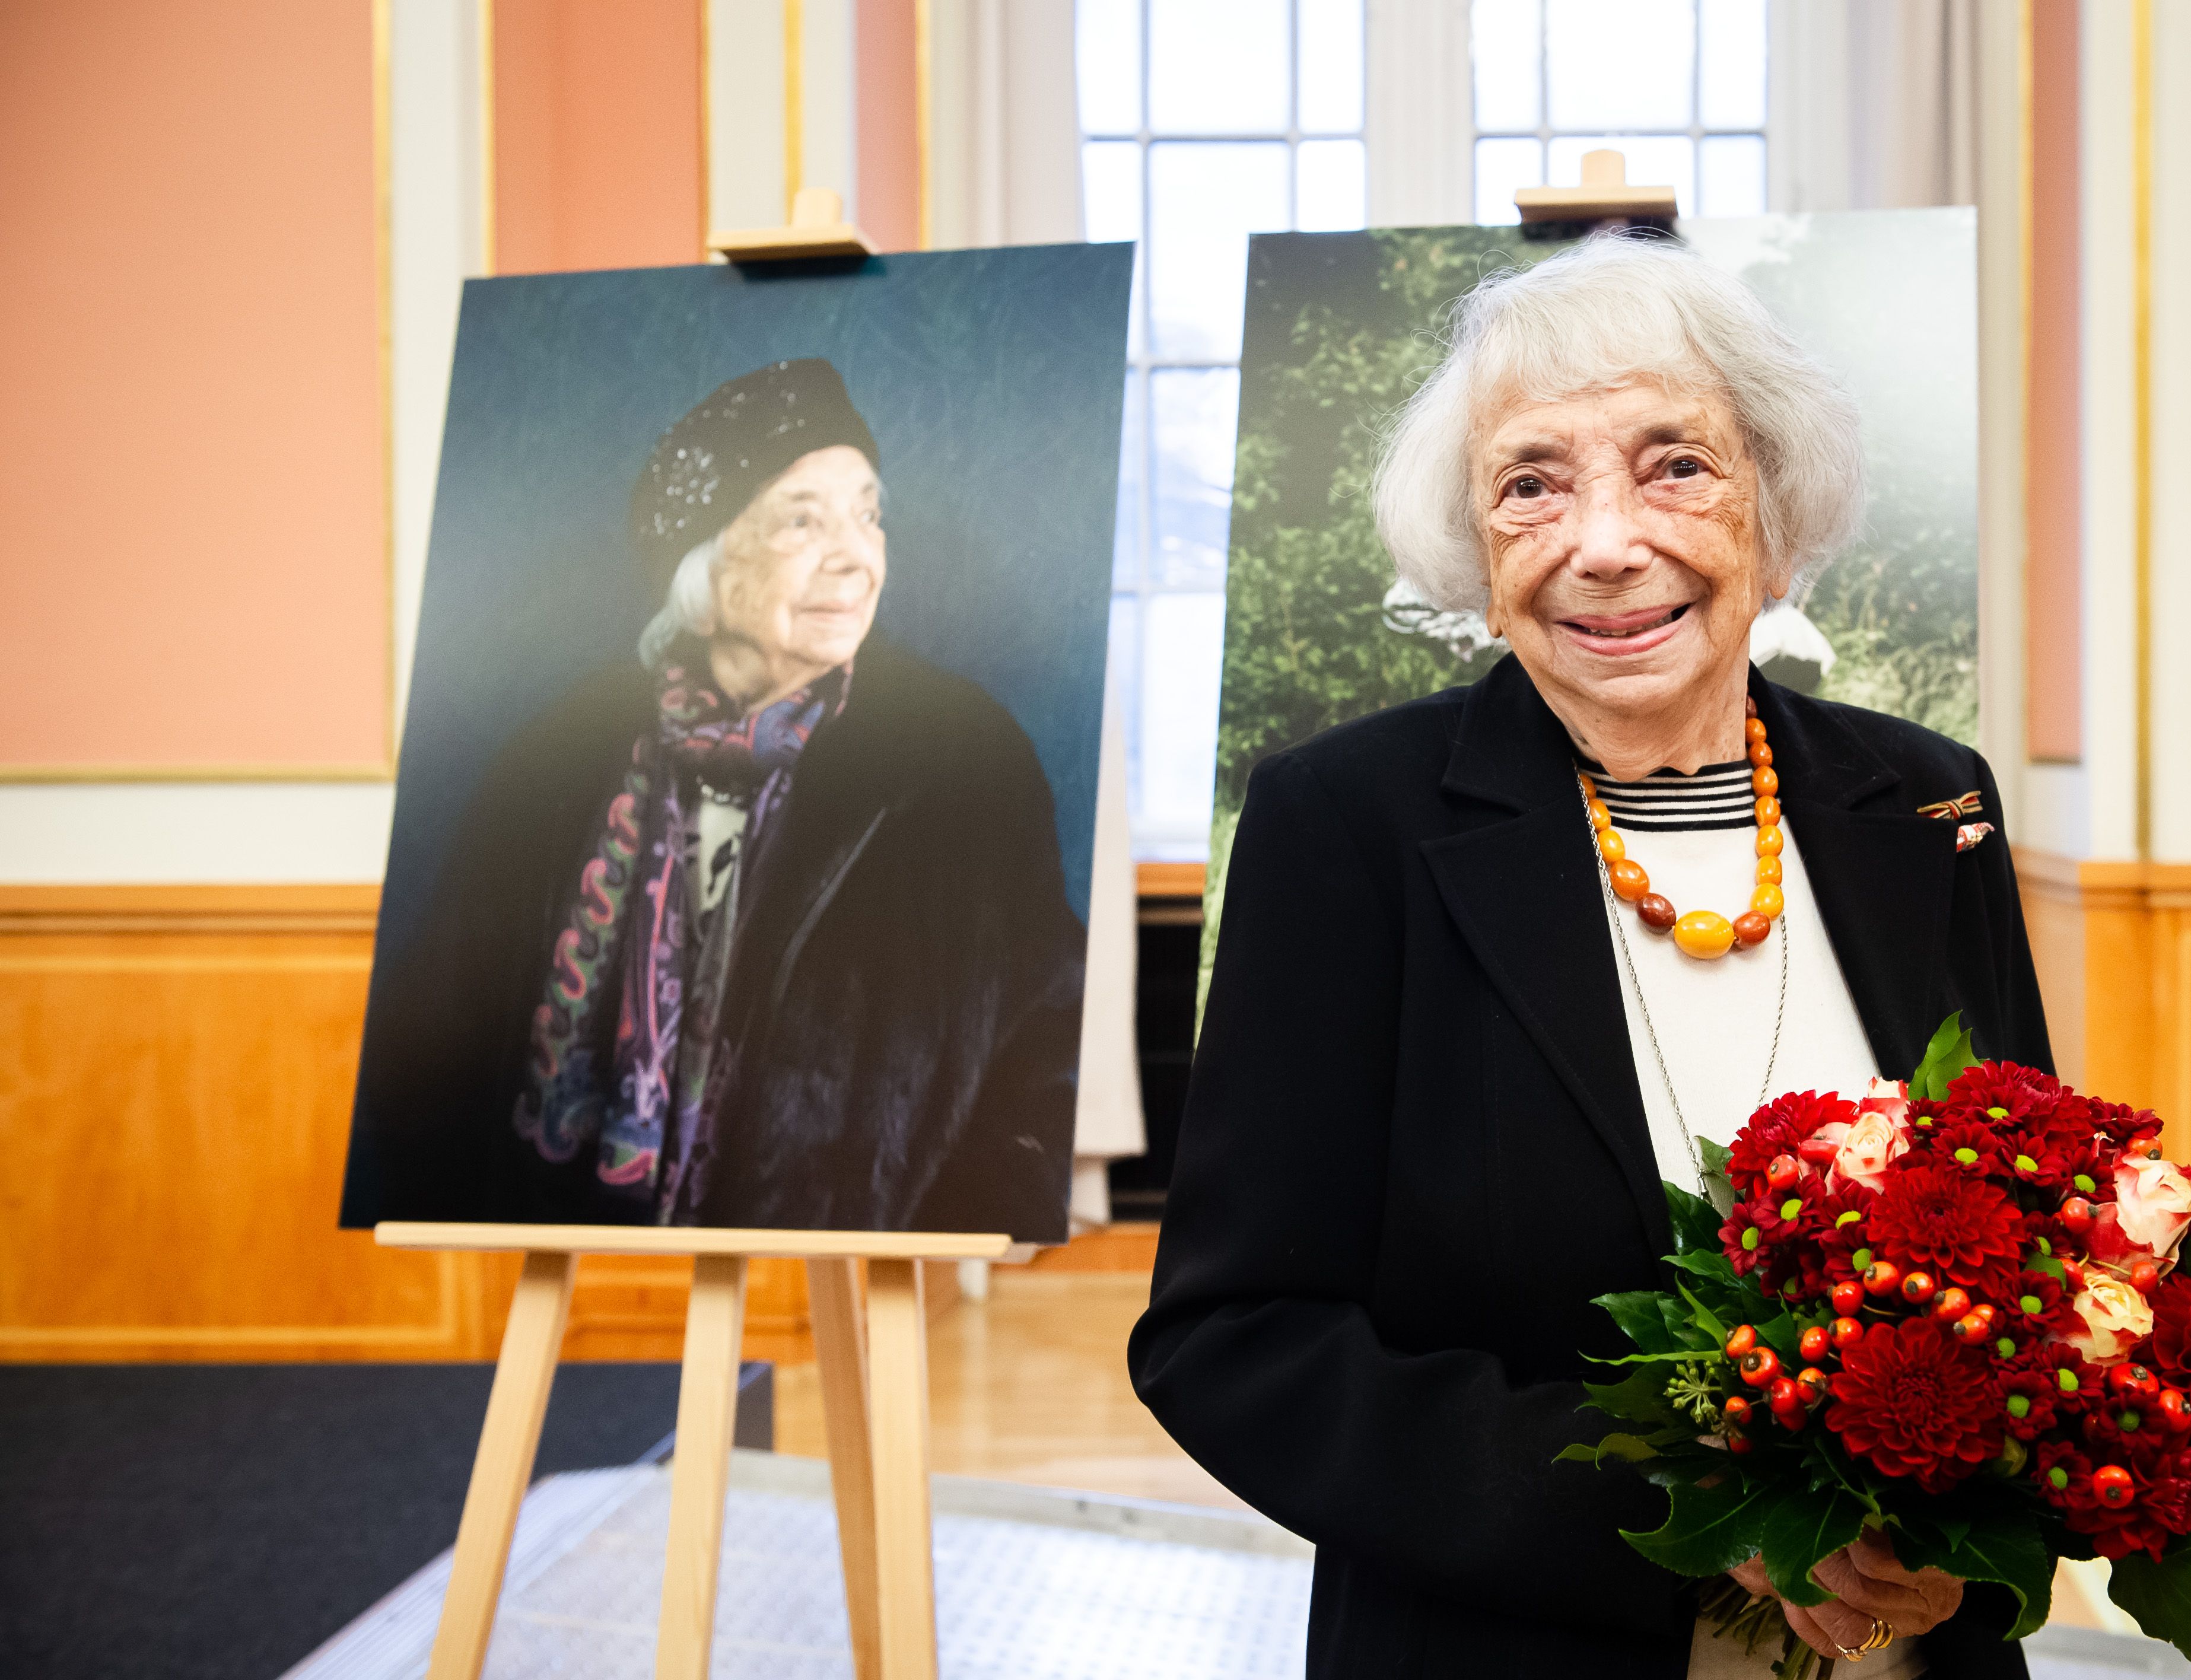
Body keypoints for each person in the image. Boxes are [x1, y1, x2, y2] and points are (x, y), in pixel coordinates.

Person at [1129, 236, 2050, 1678]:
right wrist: (1685, 1508)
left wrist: (1969, 1524)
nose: (1604, 542)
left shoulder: (1925, 800)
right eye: (1532, 483)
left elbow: (2026, 1239)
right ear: (1477, 552)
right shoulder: (1344, 824)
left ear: (1778, 506)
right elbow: (1235, 1339)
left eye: (1674, 463)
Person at [348, 358, 1081, 1240]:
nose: (854, 556)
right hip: (568, 1221)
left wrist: (968, 1211)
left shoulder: (965, 760)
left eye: (868, 513)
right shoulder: (559, 754)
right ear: (699, 578)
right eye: (801, 521)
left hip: (848, 1240)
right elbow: (448, 1027)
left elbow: (1043, 1035)